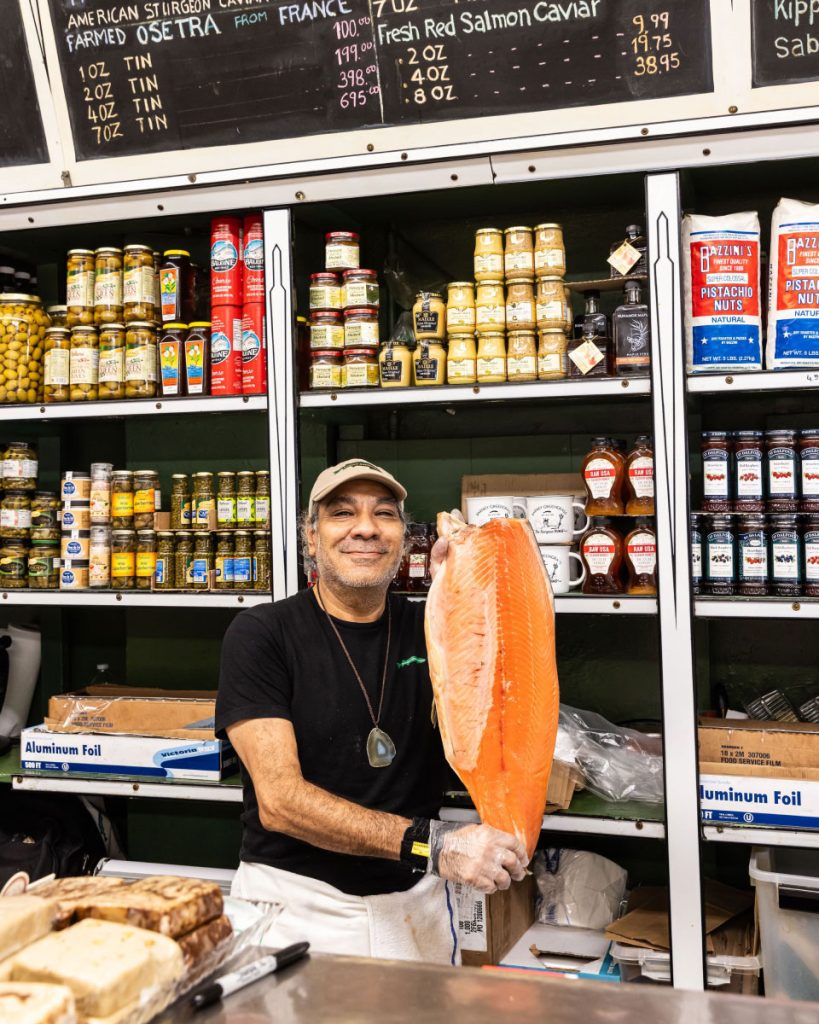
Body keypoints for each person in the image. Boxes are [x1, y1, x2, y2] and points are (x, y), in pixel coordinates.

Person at [216, 459, 528, 964]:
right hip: (299, 908)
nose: (366, 528)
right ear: (311, 538)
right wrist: (437, 845)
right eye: (342, 513)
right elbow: (280, 801)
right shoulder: (262, 634)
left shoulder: (431, 626)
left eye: (384, 514)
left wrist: (469, 586)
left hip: (416, 906)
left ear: (405, 541)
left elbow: (502, 701)